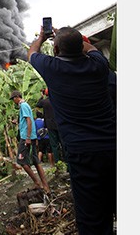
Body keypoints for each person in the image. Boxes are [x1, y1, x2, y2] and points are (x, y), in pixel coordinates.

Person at [28, 26, 116, 235]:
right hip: (113, 146)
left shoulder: (52, 69)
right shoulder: (99, 65)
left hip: (82, 152)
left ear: (56, 50)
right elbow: (90, 47)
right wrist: (67, 36)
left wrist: (42, 37)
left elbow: (32, 53)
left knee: (91, 216)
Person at [10, 90, 51, 195]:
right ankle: (45, 186)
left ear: (16, 97)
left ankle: (37, 182)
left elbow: (29, 120)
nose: (13, 101)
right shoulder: (26, 106)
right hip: (30, 136)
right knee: (36, 161)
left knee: (21, 161)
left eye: (13, 99)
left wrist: (28, 137)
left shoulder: (23, 105)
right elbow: (28, 120)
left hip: (26, 137)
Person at [35, 88, 64, 165]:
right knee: (63, 143)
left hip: (50, 126)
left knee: (54, 145)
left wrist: (41, 96)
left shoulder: (44, 102)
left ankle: (58, 163)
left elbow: (37, 104)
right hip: (59, 124)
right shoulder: (57, 101)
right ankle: (67, 162)